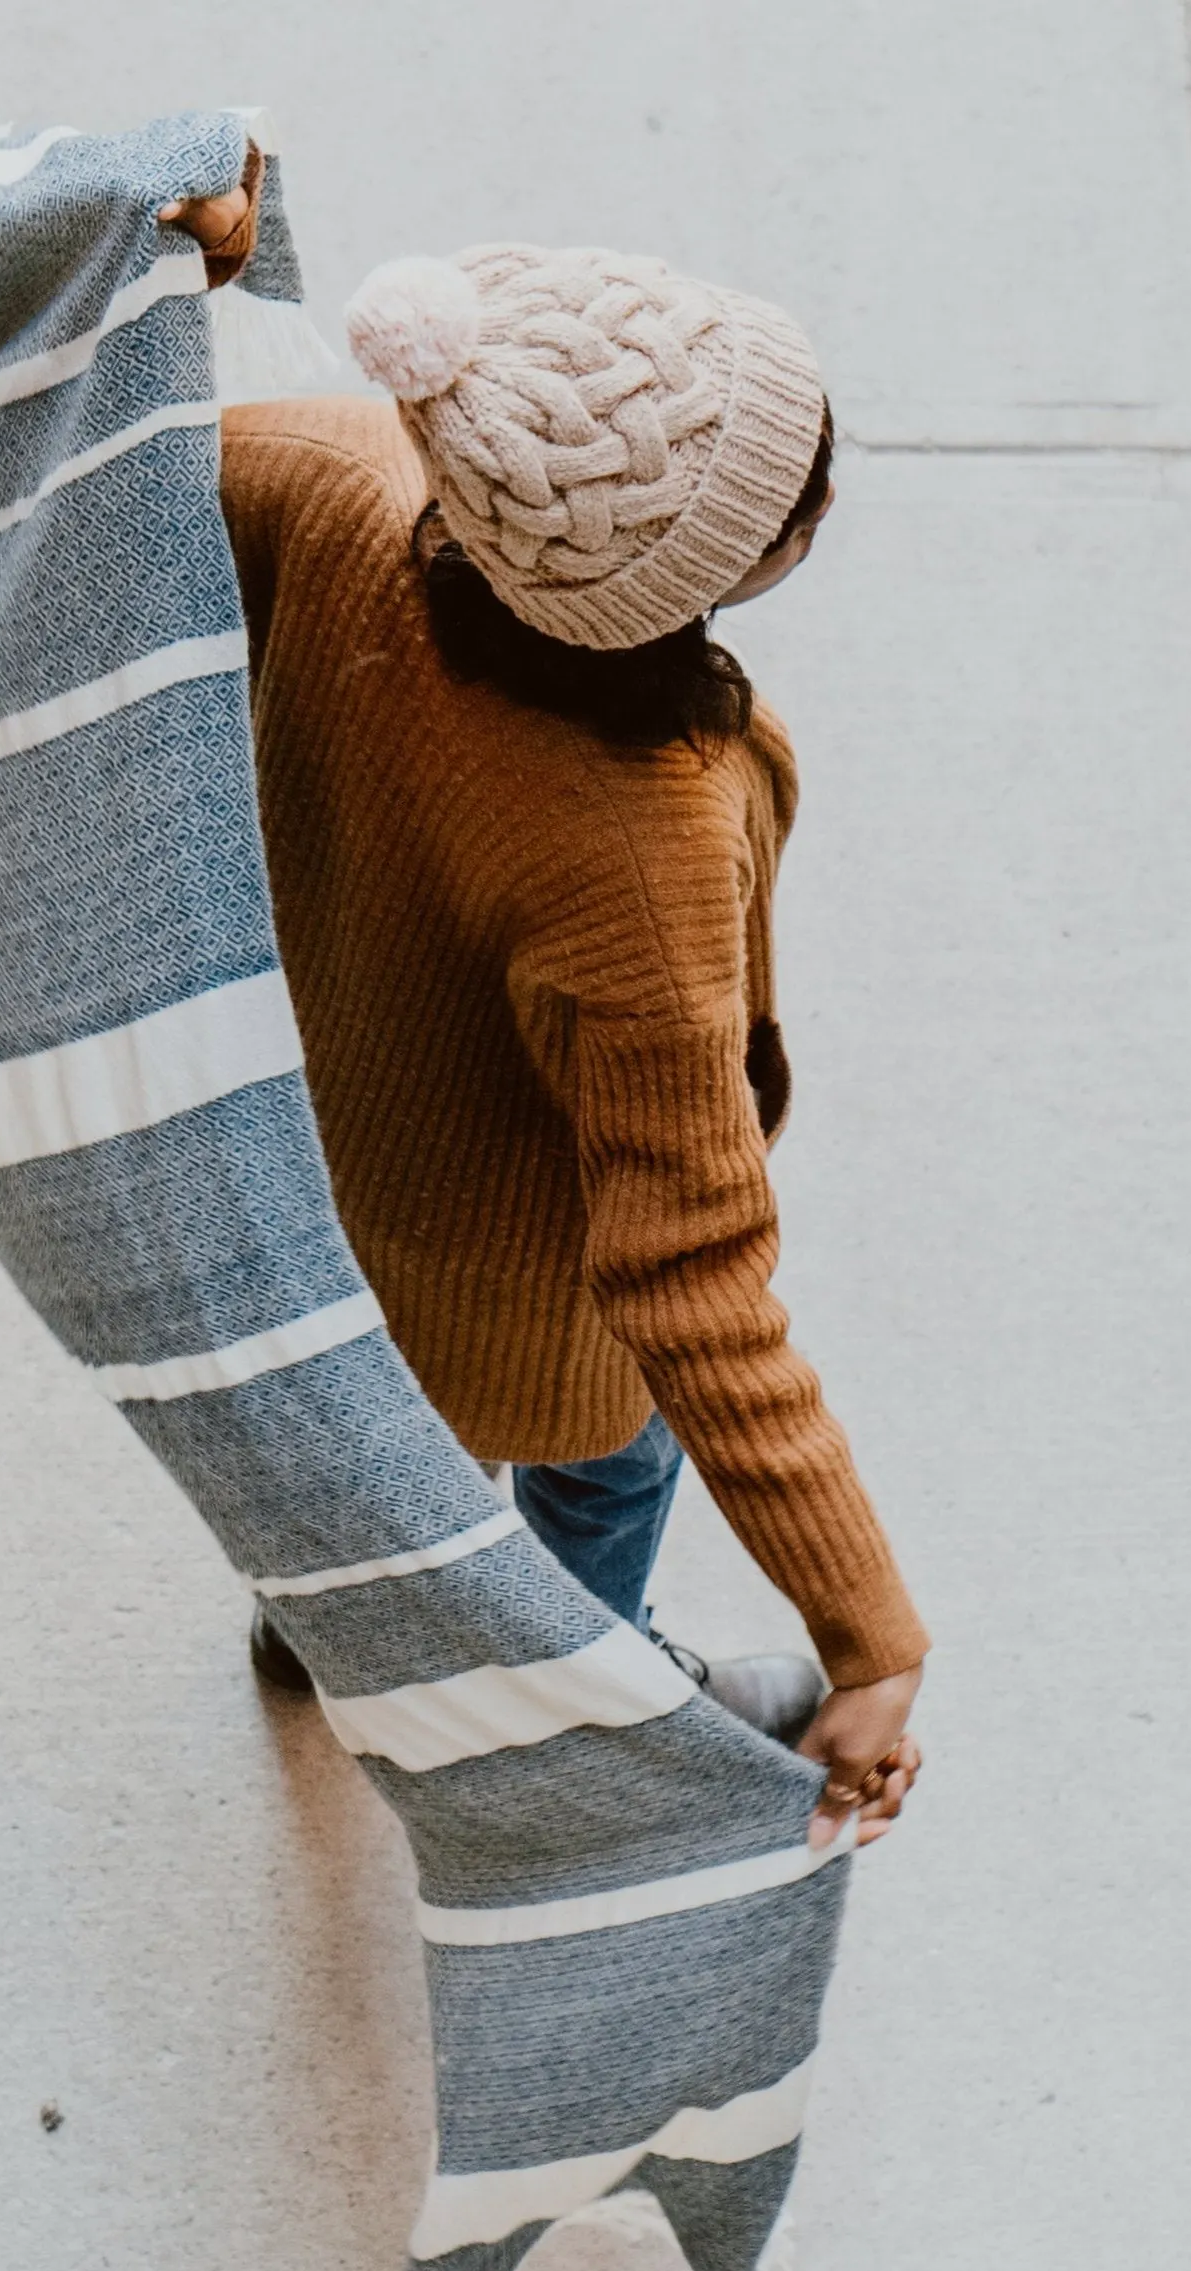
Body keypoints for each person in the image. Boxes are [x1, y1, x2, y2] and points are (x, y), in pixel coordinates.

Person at [159, 185, 923, 1843]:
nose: (826, 495)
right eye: (795, 500)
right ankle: (574, 1686)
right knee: (608, 1467)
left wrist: (147, 245)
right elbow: (690, 1273)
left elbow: (112, 465)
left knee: (359, 1466)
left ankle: (321, 1637)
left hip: (311, 1160)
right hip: (515, 1286)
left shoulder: (347, 478)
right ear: (665, 586)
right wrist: (866, 1630)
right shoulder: (629, 854)